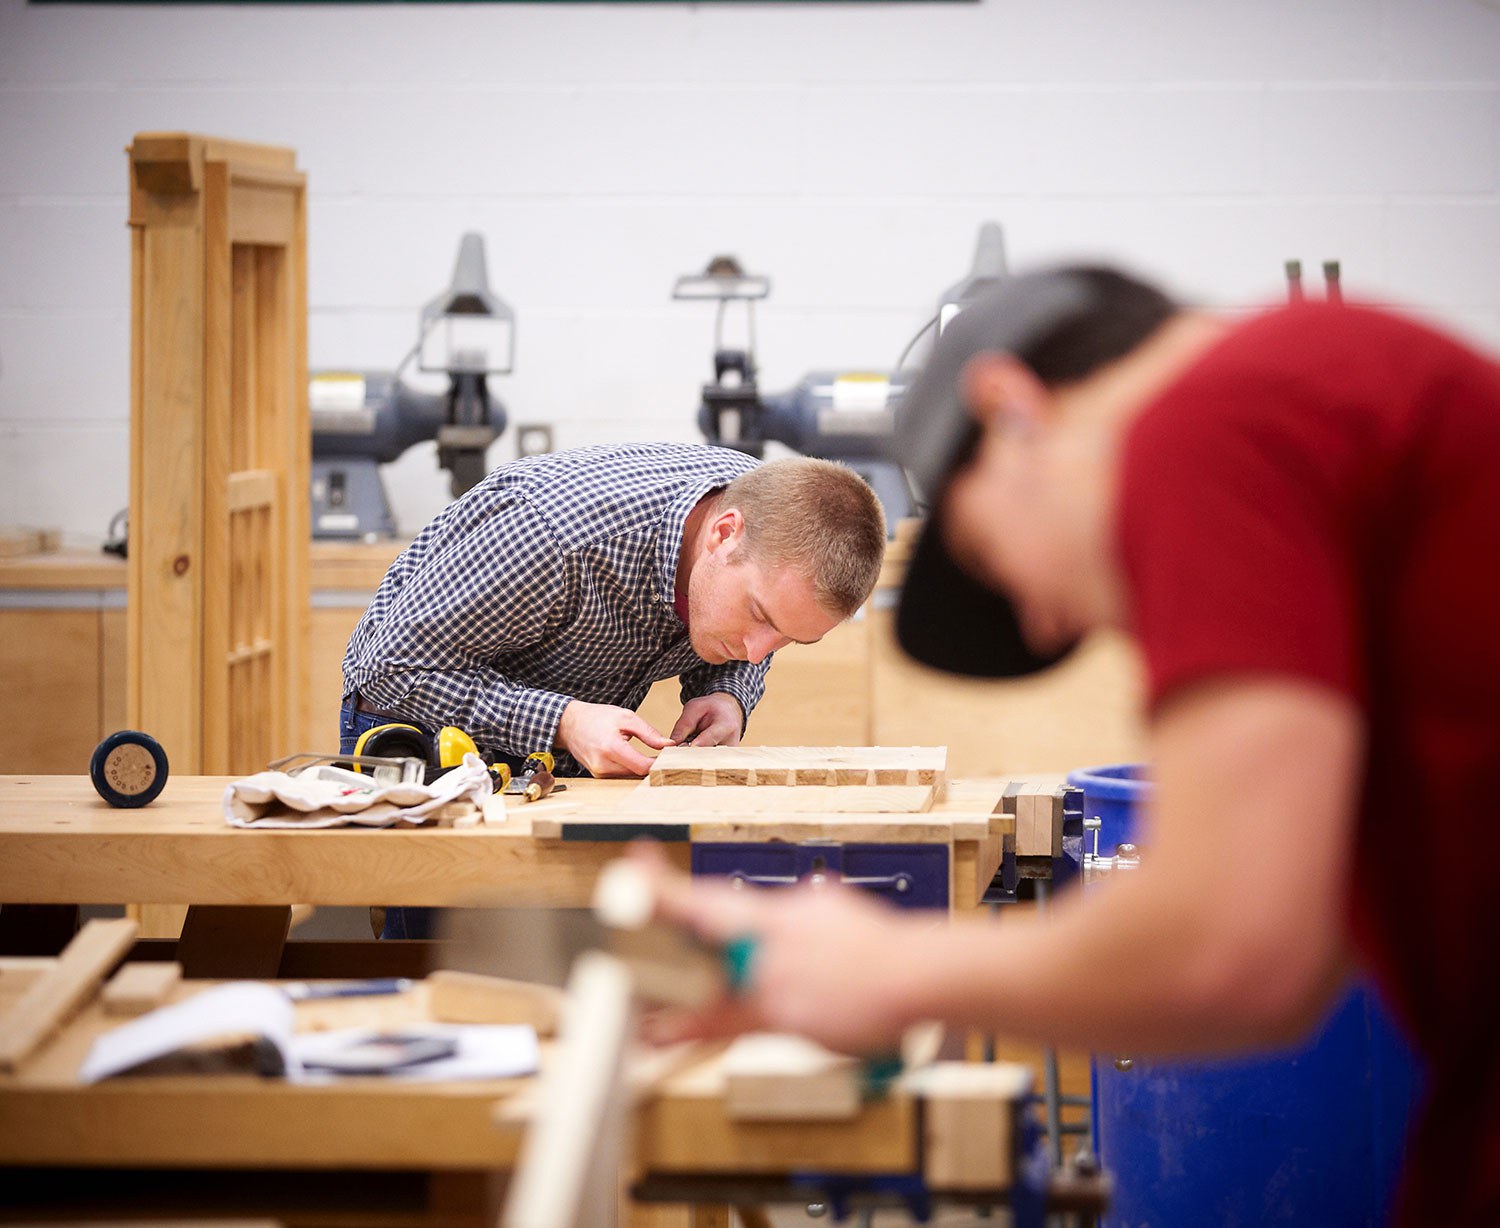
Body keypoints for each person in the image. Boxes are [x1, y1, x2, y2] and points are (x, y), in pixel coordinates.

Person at [633, 267, 1500, 1227]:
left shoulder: (1212, 422)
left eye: (991, 561)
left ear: (1013, 410)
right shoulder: (1317, 389)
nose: (1045, 621)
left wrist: (890, 968)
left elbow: (1234, 947)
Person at [340, 441, 886, 936]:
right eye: (758, 615)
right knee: (447, 978)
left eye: (789, 639)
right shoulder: (552, 534)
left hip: (559, 754)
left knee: (561, 970)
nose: (757, 651)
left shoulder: (763, 521)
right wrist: (564, 721)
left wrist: (727, 691)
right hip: (421, 730)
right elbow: (389, 666)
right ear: (723, 535)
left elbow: (749, 643)